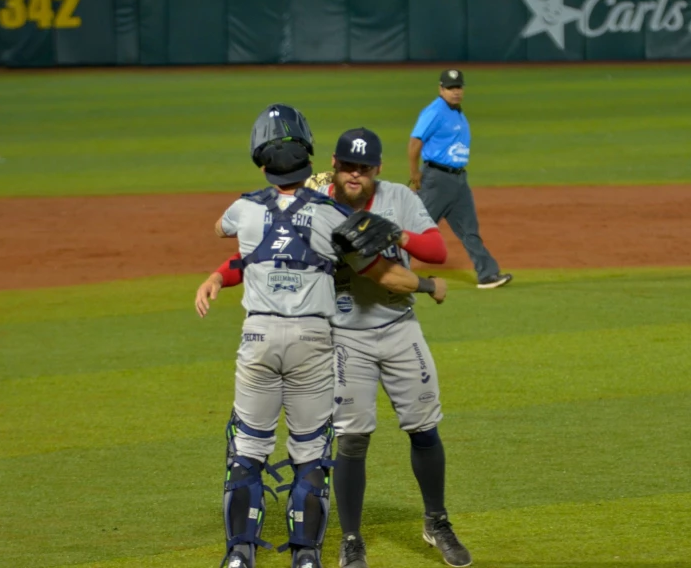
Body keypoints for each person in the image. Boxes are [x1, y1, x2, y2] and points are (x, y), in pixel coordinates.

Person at [200, 127, 471, 568]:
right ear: (334, 164)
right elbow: (265, 250)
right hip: (343, 336)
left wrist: (397, 235)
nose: (355, 175)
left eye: (364, 168)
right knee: (351, 440)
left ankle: (437, 522)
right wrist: (218, 275)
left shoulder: (398, 197)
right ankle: (350, 539)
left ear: (377, 170)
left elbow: (436, 249)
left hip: (400, 328)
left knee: (424, 428)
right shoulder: (317, 202)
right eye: (347, 166)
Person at [408, 68, 513, 290]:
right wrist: (415, 173)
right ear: (441, 89)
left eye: (458, 87)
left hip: (458, 181)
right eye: (450, 88)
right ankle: (390, 270)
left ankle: (487, 275)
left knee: (469, 230)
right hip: (437, 180)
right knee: (417, 228)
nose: (455, 92)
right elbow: (414, 143)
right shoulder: (435, 111)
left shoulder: (457, 112)